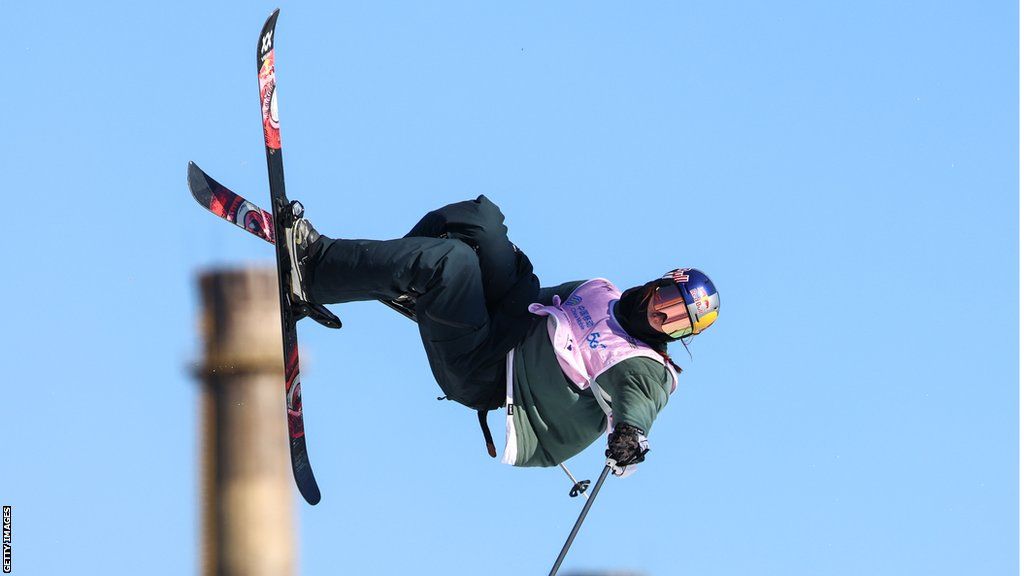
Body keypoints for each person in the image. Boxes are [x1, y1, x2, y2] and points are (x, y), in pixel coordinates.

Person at [284, 195, 719, 476]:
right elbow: (532, 302)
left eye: (679, 322)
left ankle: (317, 271)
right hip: (507, 327)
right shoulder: (601, 291)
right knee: (481, 222)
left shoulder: (646, 366)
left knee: (449, 263)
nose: (662, 316)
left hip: (489, 375)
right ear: (657, 284)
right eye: (668, 300)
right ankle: (391, 278)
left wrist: (630, 435)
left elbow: (640, 403)